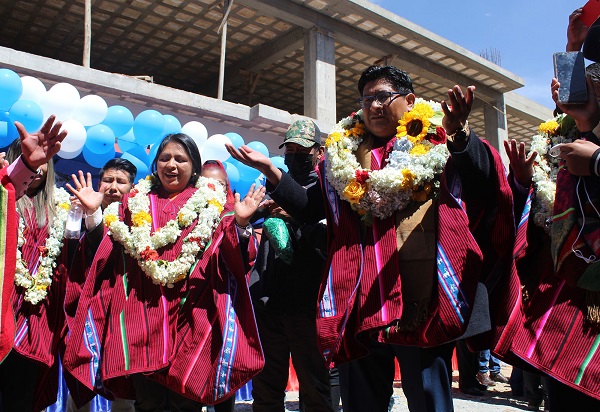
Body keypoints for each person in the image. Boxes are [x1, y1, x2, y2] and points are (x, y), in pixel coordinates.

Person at [227, 65, 519, 412]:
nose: (374, 106)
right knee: (361, 404)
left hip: (419, 303)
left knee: (428, 401)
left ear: (410, 101)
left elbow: (484, 182)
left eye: (382, 96)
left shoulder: (435, 141)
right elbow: (309, 207)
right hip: (358, 301)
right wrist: (270, 169)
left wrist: (460, 137)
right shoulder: (344, 156)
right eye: (366, 99)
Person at [63, 133, 266, 411]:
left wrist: (240, 225)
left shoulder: (211, 202)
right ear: (156, 164)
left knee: (186, 402)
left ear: (193, 166)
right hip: (141, 315)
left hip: (190, 315)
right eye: (165, 158)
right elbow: (110, 248)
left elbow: (231, 256)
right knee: (149, 402)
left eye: (180, 159)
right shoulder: (135, 201)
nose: (171, 164)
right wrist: (94, 215)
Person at [504, 57, 600, 411]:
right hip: (567, 298)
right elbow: (546, 219)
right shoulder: (567, 139)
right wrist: (524, 182)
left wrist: (597, 162)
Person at [248, 119, 334, 412]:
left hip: (305, 304)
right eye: (290, 151)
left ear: (318, 153)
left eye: (302, 151)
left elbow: (326, 239)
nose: (294, 157)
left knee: (313, 385)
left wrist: (294, 217)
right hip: (269, 300)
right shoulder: (274, 185)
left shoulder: (326, 190)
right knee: (266, 384)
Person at [0, 131, 73, 412]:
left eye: (45, 162)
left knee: (21, 397)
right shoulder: (5, 201)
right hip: (4, 307)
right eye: (30, 161)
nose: (39, 169)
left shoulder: (62, 208)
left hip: (36, 321)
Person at [63, 157, 138, 412]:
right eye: (108, 180)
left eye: (121, 182)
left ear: (132, 187)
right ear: (99, 183)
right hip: (89, 309)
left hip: (123, 312)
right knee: (81, 378)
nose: (114, 187)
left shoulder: (139, 218)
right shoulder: (78, 211)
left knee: (123, 383)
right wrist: (89, 213)